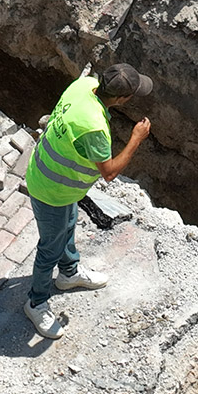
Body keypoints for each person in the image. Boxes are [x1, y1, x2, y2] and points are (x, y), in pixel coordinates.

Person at [21, 63, 154, 337]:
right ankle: (36, 303)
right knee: (49, 249)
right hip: (52, 190)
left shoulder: (82, 86)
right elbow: (109, 172)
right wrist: (136, 139)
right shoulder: (94, 129)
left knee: (68, 224)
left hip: (55, 180)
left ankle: (68, 274)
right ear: (121, 99)